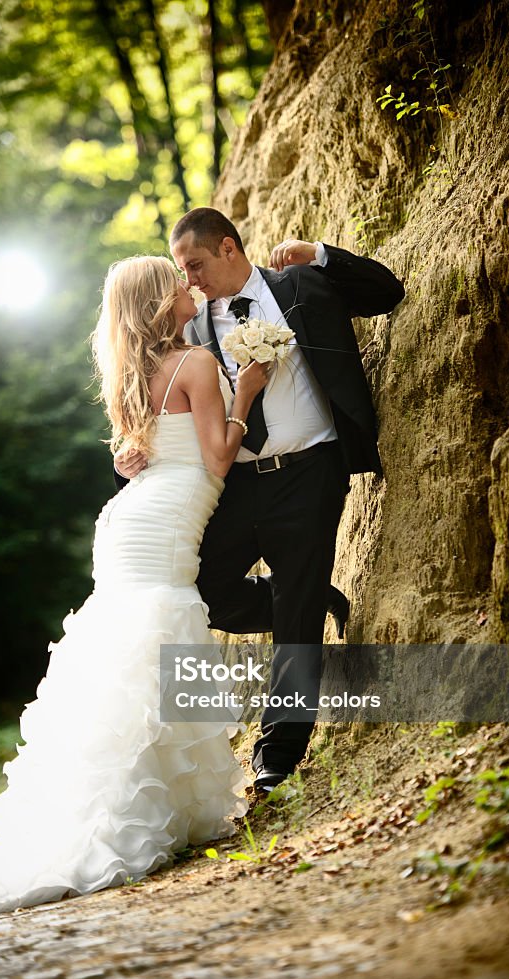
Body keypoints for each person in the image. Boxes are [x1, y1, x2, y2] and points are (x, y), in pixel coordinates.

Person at [0, 255, 268, 928]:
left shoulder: (134, 373)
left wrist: (136, 457)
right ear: (158, 300)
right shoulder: (199, 366)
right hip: (163, 513)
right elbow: (216, 458)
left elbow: (135, 457)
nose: (189, 288)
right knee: (154, 633)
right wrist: (250, 392)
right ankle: (136, 809)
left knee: (127, 647)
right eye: (175, 282)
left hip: (130, 519)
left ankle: (135, 802)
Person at [115, 209, 405, 794]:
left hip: (310, 471)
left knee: (295, 621)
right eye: (181, 272)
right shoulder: (190, 329)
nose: (190, 281)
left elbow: (386, 293)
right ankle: (309, 596)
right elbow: (152, 397)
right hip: (235, 482)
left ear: (227, 248)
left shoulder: (297, 287)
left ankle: (277, 753)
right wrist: (128, 455)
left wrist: (321, 253)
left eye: (195, 265)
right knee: (205, 594)